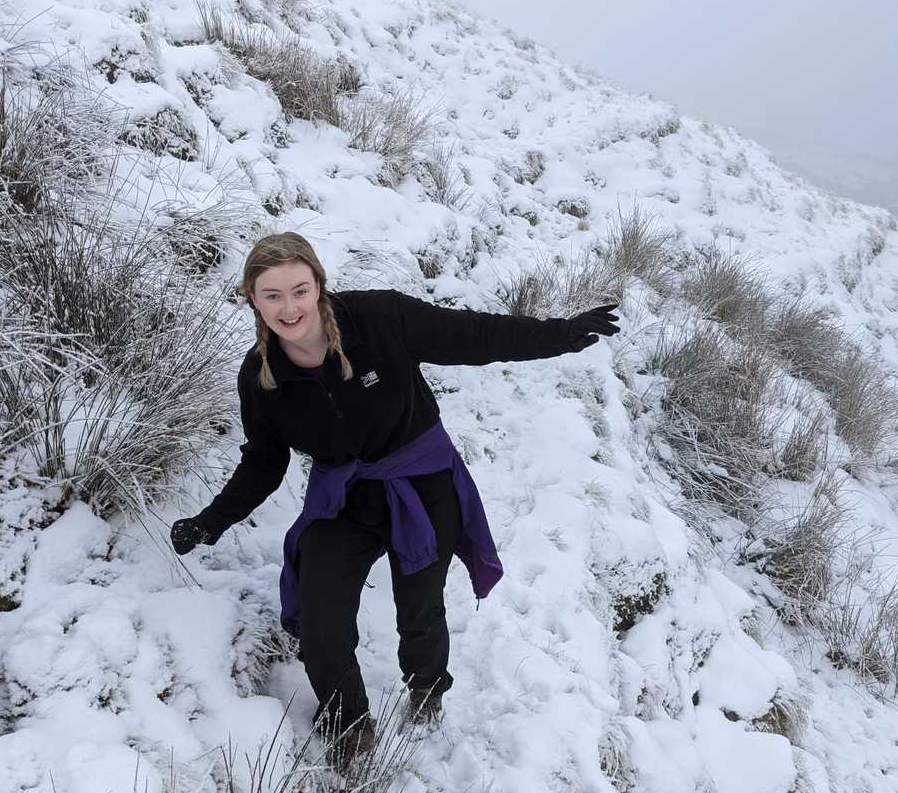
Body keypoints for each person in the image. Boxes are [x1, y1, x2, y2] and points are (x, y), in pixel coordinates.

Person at [170, 232, 619, 763]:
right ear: (252, 298)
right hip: (347, 499)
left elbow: (472, 335)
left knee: (419, 612)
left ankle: (427, 691)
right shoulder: (261, 379)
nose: (289, 308)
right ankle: (351, 722)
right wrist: (210, 521)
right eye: (272, 295)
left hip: (423, 483)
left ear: (319, 286)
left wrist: (559, 335)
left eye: (299, 289)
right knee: (320, 619)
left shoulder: (380, 318)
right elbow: (264, 464)